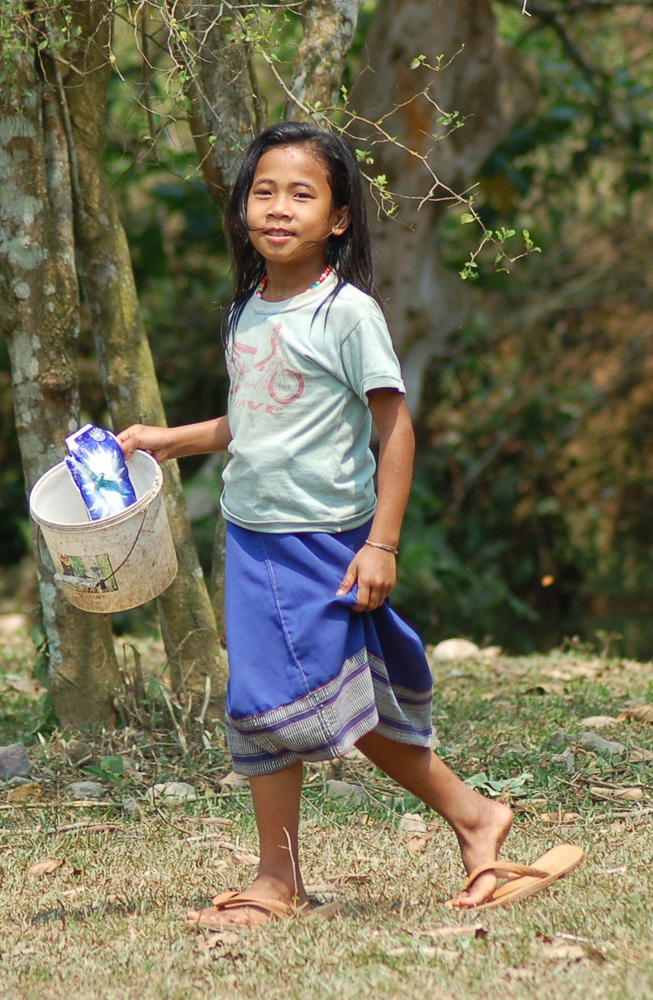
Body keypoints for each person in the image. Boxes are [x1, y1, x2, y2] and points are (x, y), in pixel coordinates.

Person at [118, 121, 515, 927]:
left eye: (301, 193)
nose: (277, 207)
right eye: (262, 190)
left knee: (279, 701)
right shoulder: (244, 311)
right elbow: (253, 421)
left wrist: (381, 544)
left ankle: (287, 879)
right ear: (239, 209)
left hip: (322, 539)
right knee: (304, 702)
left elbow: (394, 427)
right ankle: (465, 820)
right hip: (251, 533)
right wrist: (169, 442)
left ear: (337, 218)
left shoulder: (347, 312)